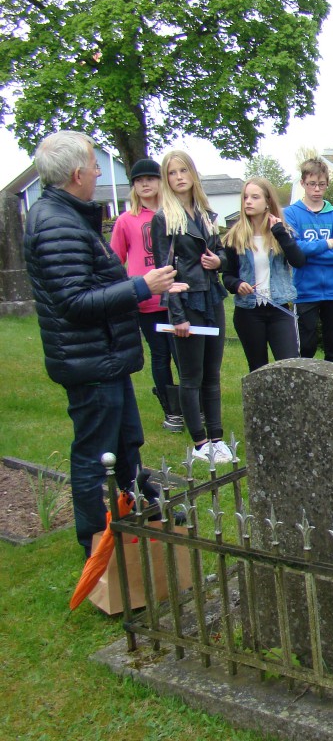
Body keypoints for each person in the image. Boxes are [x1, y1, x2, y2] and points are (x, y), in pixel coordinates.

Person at [23, 131, 184, 557]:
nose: (98, 172)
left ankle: (138, 515)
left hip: (104, 356)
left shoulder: (69, 216)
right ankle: (96, 542)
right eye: (94, 165)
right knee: (96, 454)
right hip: (89, 360)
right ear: (77, 173)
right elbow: (74, 303)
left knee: (127, 442)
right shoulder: (56, 224)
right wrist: (139, 286)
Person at [150, 150, 233, 465]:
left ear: (193, 174)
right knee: (191, 376)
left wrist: (219, 261)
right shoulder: (164, 219)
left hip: (211, 297)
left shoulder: (207, 214)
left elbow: (224, 254)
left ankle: (217, 437)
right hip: (186, 301)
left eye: (183, 170)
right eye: (172, 173)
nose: (179, 177)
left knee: (212, 373)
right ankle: (200, 443)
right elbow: (164, 271)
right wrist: (178, 316)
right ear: (166, 180)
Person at [110, 158, 182, 432]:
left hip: (175, 296)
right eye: (139, 180)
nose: (144, 184)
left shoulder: (173, 213)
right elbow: (115, 261)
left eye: (150, 178)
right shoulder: (126, 221)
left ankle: (190, 404)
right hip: (146, 300)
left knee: (181, 353)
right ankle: (171, 410)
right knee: (160, 354)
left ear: (160, 181)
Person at [222, 178, 307, 372]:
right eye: (245, 198)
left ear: (268, 201)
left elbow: (298, 261)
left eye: (254, 197)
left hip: (279, 307)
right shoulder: (234, 237)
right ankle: (260, 403)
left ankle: (286, 403)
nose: (248, 202)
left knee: (289, 366)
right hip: (249, 311)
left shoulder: (282, 232)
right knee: (258, 369)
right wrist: (237, 285)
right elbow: (227, 276)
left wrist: (280, 233)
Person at [284, 157, 333, 364]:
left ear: (327, 184)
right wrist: (325, 244)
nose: (317, 189)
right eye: (312, 184)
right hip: (305, 292)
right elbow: (294, 250)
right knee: (306, 346)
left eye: (321, 184)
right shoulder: (291, 214)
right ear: (303, 183)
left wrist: (308, 254)